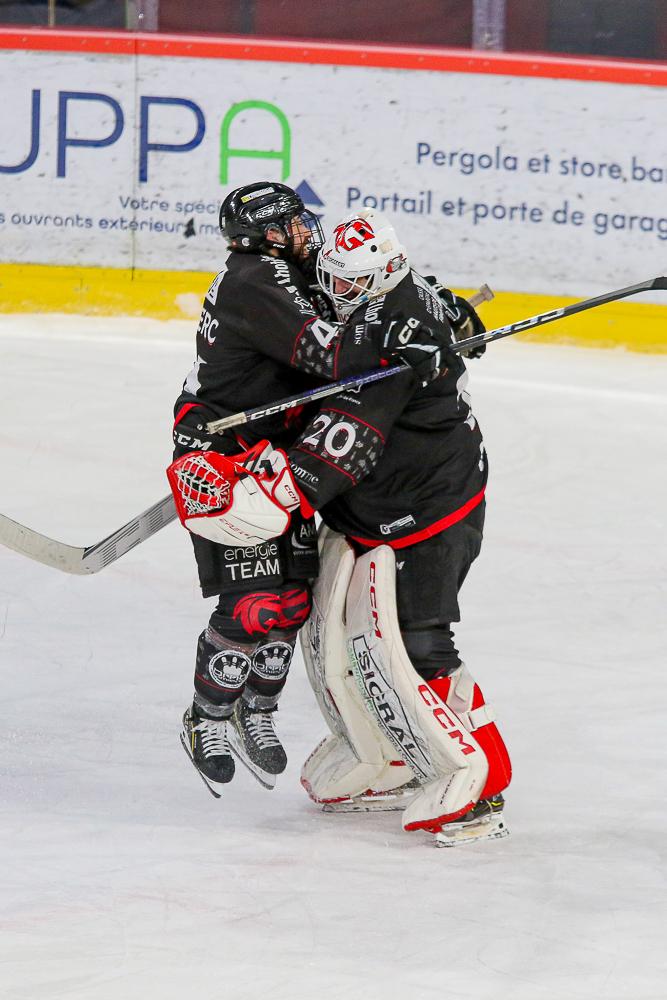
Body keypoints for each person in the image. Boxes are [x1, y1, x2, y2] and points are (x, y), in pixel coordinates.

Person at [179, 207, 512, 843]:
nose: (336, 291)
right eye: (332, 275)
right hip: (376, 508)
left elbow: (344, 444)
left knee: (416, 645)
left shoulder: (394, 338)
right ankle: (388, 757)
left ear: (386, 272)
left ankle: (481, 784)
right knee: (342, 640)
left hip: (426, 513)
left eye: (350, 282)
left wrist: (270, 491)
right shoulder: (380, 296)